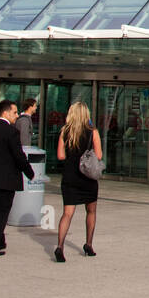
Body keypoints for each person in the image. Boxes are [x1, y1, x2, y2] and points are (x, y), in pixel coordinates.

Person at [0, 98, 35, 256]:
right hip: (7, 178)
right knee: (2, 211)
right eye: (15, 112)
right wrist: (29, 172)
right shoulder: (11, 132)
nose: (17, 116)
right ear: (5, 112)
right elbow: (19, 156)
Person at [56, 101, 102, 262]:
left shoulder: (64, 131)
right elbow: (99, 155)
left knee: (67, 214)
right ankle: (88, 244)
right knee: (91, 211)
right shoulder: (92, 132)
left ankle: (60, 246)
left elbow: (60, 156)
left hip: (69, 176)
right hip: (87, 177)